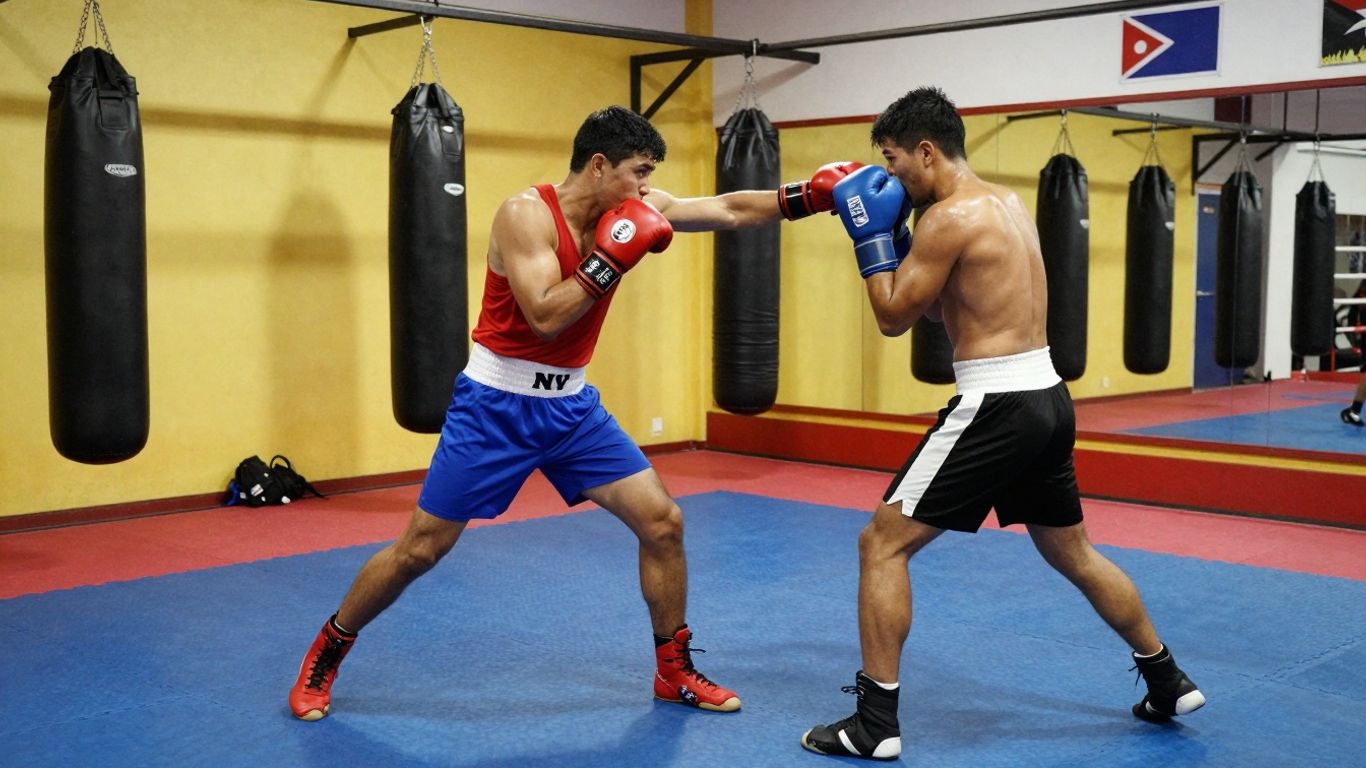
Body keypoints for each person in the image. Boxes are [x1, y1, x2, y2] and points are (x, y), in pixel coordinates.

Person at [289, 105, 857, 721]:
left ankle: (673, 671)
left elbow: (726, 209)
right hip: (495, 407)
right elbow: (545, 313)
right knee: (420, 551)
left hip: (571, 408)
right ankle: (328, 649)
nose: (645, 189)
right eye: (637, 173)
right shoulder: (524, 214)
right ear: (598, 165)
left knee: (663, 522)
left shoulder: (630, 210)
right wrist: (611, 256)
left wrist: (808, 196)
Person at [800, 87, 1205, 761]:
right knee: (1072, 552)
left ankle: (873, 724)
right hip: (1048, 399)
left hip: (996, 404)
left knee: (882, 545)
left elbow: (894, 316)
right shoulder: (1007, 204)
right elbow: (939, 306)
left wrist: (871, 239)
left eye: (896, 160)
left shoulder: (948, 218)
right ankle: (1167, 679)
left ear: (927, 151)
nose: (894, 175)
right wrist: (900, 237)